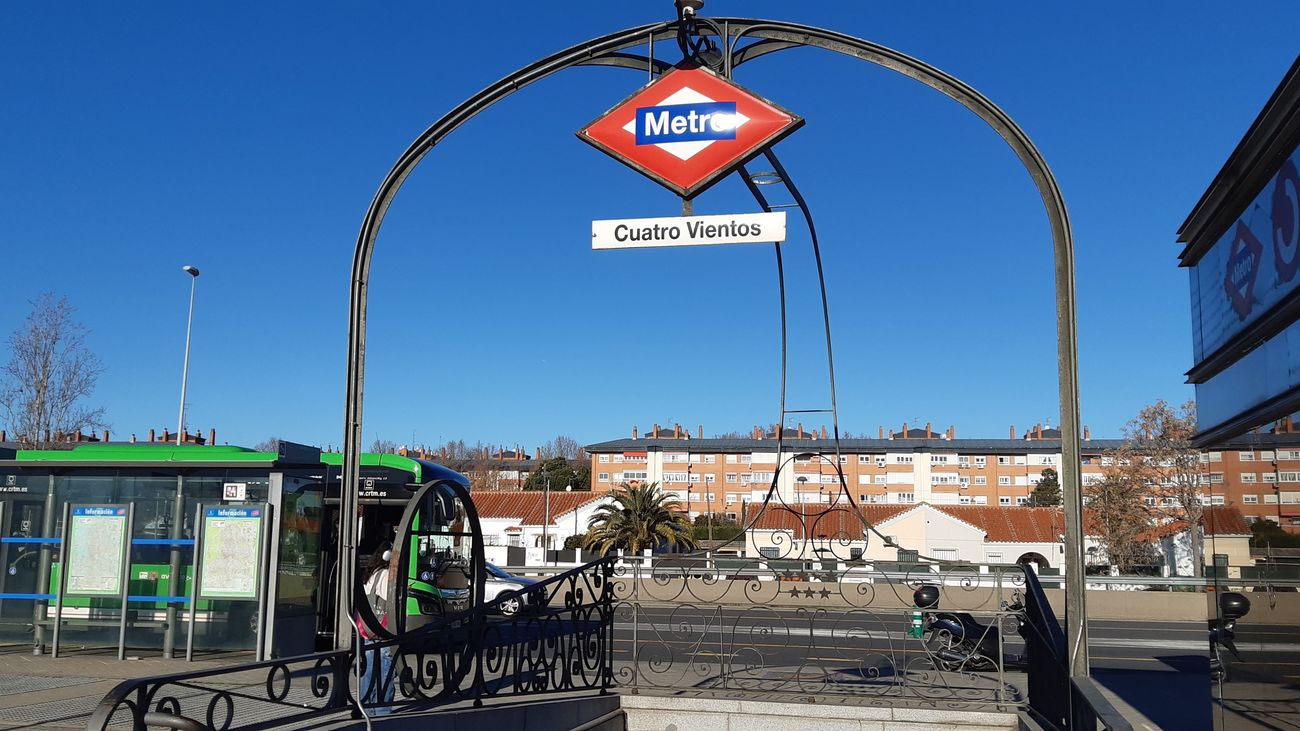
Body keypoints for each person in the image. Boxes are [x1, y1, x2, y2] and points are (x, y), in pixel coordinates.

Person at [358, 542, 395, 714]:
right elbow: (392, 601)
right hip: (383, 631)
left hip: (368, 631)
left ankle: (366, 705)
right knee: (386, 668)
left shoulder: (370, 574)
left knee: (370, 669)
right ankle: (382, 708)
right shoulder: (386, 575)